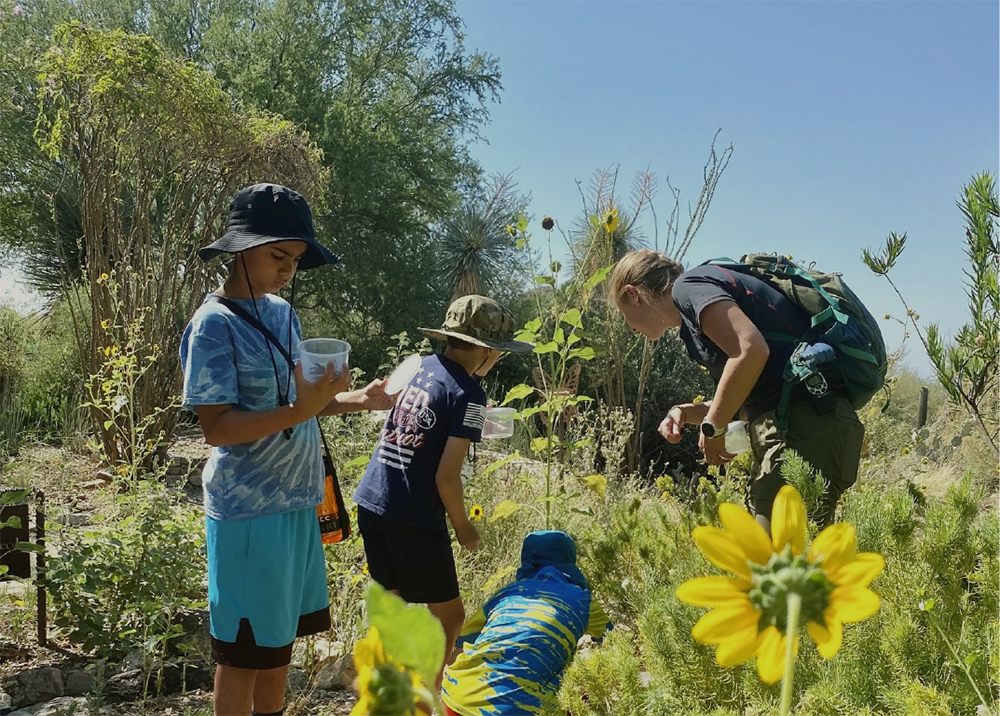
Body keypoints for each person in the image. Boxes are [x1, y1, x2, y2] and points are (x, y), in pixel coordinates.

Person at [181, 183, 395, 716]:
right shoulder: (213, 326)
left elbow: (302, 404)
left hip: (297, 502)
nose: (288, 269)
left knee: (278, 647)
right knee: (242, 652)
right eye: (278, 255)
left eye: (296, 259)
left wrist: (357, 399)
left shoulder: (281, 314)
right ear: (240, 248)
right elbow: (217, 428)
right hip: (248, 513)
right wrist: (302, 409)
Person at [610, 249, 864, 532]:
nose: (631, 329)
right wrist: (683, 412)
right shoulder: (694, 327)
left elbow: (751, 349)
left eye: (624, 314)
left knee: (775, 563)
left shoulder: (689, 287)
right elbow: (744, 405)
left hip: (806, 426)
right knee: (786, 561)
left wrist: (714, 429)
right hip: (804, 425)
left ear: (633, 294)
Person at [352, 295, 534, 685]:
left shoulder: (421, 367)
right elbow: (445, 478)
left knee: (392, 607)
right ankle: (426, 700)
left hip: (372, 499)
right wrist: (463, 526)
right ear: (487, 352)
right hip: (413, 514)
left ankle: (380, 698)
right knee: (449, 617)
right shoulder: (471, 395)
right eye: (499, 353)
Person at [440, 530, 612, 716]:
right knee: (580, 696)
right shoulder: (583, 600)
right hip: (521, 711)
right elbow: (618, 644)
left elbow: (460, 649)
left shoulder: (508, 592)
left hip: (458, 699)